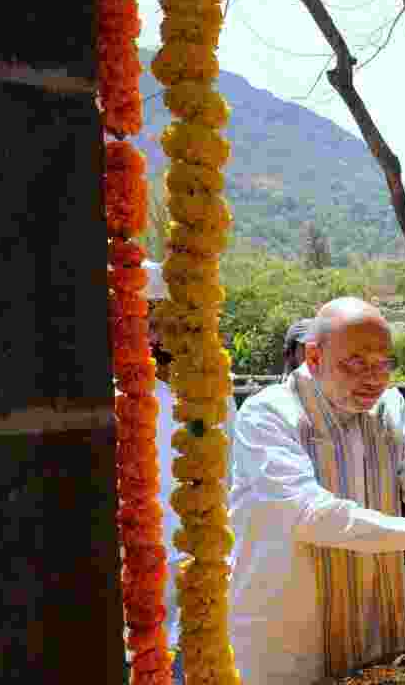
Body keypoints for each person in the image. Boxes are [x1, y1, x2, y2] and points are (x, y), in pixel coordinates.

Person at [228, 297, 405, 683]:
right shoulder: (268, 415)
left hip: (375, 618)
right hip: (292, 634)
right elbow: (309, 513)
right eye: (355, 362)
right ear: (314, 356)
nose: (373, 378)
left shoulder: (389, 406)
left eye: (383, 363)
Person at [138, 260, 239, 685]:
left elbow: (229, 470)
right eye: (140, 319)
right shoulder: (108, 396)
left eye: (157, 319)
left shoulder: (210, 390)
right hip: (134, 555)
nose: (152, 333)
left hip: (196, 553)